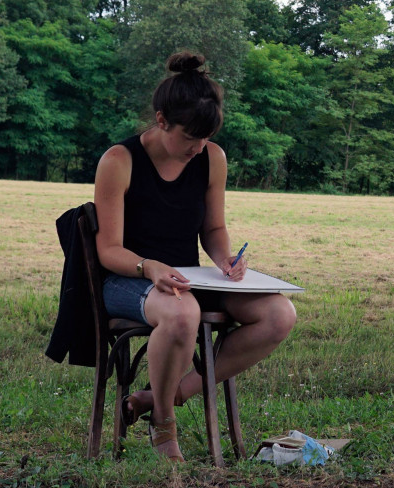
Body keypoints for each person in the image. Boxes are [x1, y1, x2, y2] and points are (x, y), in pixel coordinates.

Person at [92, 50, 297, 461]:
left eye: (206, 138)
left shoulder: (212, 158)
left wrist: (224, 259)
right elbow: (108, 249)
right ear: (162, 120)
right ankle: (164, 425)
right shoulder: (119, 160)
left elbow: (214, 230)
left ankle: (159, 397)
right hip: (127, 279)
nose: (199, 148)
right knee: (182, 313)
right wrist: (148, 267)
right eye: (190, 138)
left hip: (188, 280)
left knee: (280, 314)